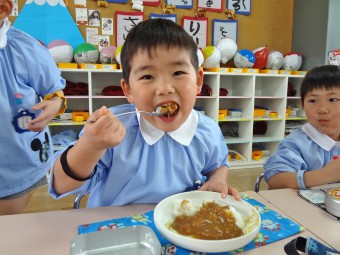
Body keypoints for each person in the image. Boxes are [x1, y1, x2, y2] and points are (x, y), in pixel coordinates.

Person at [49, 18, 239, 207]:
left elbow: (218, 165)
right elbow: (62, 185)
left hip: (182, 228)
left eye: (178, 73)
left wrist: (217, 180)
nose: (164, 88)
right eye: (148, 76)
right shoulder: (112, 131)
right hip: (117, 230)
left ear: (198, 82)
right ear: (128, 90)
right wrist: (90, 146)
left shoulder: (208, 131)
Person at [0, 0, 66, 215]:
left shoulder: (24, 48)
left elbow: (55, 92)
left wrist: (54, 105)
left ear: (3, 9)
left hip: (15, 162)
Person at [264, 65, 340, 189]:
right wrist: (325, 175)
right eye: (313, 101)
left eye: (332, 99)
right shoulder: (297, 143)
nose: (322, 109)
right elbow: (275, 180)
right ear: (302, 104)